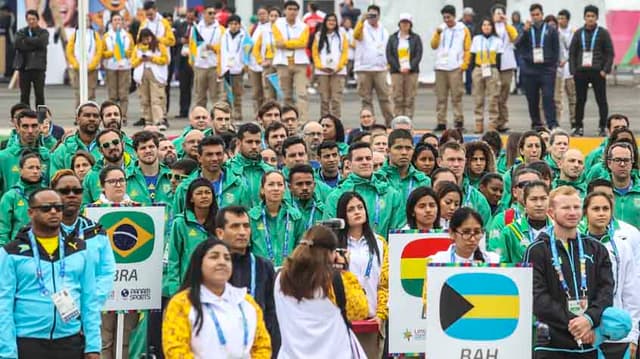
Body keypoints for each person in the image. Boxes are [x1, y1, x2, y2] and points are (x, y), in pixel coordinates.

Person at [0, 189, 101, 359]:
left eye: (58, 207)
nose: (54, 212)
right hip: (27, 342)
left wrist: (93, 346)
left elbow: (90, 299)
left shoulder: (80, 250)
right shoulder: (11, 253)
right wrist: (7, 352)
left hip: (70, 341)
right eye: (46, 208)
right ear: (31, 213)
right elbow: (3, 305)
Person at [523, 186, 614, 358]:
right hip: (551, 344)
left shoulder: (597, 249)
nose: (572, 212)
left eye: (576, 207)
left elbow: (606, 291)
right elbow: (537, 297)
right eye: (565, 208)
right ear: (551, 212)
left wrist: (589, 319)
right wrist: (575, 323)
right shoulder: (537, 250)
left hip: (588, 341)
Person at [163, 238, 272, 358]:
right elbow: (175, 350)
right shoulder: (181, 303)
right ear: (199, 263)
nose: (222, 262)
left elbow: (262, 346)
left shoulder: (246, 302)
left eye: (227, 258)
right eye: (214, 257)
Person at [275, 225, 368, 358]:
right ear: (331, 253)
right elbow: (360, 310)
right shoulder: (332, 281)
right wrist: (344, 271)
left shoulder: (280, 278)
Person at [581, 191, 640, 358]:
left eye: (605, 209)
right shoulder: (576, 246)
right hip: (585, 332)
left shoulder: (622, 246)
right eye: (596, 209)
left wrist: (633, 336)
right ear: (585, 212)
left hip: (617, 333)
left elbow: (632, 294)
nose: (601, 213)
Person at [215, 206, 281, 353]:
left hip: (256, 347)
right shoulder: (210, 267)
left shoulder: (263, 266)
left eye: (246, 226)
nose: (242, 232)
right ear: (220, 233)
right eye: (235, 226)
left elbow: (272, 314)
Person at [336, 191, 389, 358]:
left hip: (372, 320)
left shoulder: (380, 243)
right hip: (342, 322)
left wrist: (381, 315)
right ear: (342, 215)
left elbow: (385, 283)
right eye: (351, 209)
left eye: (360, 207)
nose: (357, 212)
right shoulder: (335, 245)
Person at [324, 142, 404, 237]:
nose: (365, 162)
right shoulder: (336, 196)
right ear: (349, 164)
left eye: (368, 158)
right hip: (348, 250)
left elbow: (398, 233)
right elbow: (329, 234)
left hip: (384, 250)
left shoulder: (391, 194)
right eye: (359, 159)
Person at [165, 178, 218, 297]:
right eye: (199, 193)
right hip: (188, 286)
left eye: (207, 192)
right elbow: (173, 259)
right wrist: (174, 290)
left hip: (214, 285)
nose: (204, 196)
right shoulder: (180, 223)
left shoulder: (220, 221)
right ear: (191, 198)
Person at [569, 5, 614, 137]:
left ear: (596, 18)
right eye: (588, 16)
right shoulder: (578, 33)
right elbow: (572, 53)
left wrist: (605, 70)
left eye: (592, 16)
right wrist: (573, 71)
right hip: (581, 72)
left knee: (601, 100)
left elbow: (610, 53)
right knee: (580, 100)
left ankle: (602, 127)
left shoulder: (603, 33)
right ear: (584, 17)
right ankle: (578, 127)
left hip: (597, 71)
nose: (590, 19)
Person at [516, 4, 560, 130]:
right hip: (530, 69)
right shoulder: (527, 30)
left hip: (547, 70)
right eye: (533, 15)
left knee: (548, 97)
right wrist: (524, 31)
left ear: (542, 14)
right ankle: (536, 123)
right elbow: (517, 45)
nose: (535, 17)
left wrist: (553, 66)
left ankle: (552, 123)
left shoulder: (550, 29)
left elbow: (556, 49)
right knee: (532, 98)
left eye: (538, 14)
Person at [249, 171, 304, 267]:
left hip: (288, 272)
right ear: (262, 189)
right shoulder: (252, 217)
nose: (276, 188)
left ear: (285, 189)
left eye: (280, 185)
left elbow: (301, 248)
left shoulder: (296, 217)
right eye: (271, 184)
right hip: (259, 271)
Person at [430, 5, 471, 132]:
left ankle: (459, 121)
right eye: (444, 18)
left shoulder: (462, 29)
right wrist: (437, 33)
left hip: (455, 67)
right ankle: (441, 122)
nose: (447, 20)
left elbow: (467, 48)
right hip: (441, 67)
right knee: (441, 97)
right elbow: (433, 45)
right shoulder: (441, 29)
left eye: (449, 17)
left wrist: (464, 64)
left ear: (454, 16)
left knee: (456, 96)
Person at [353, 5, 394, 125]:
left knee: (385, 98)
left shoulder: (383, 30)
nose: (372, 18)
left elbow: (388, 48)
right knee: (366, 99)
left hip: (380, 68)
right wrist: (362, 20)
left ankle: (390, 123)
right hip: (364, 69)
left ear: (379, 16)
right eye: (370, 15)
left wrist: (389, 65)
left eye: (374, 15)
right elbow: (356, 35)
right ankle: (368, 124)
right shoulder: (362, 27)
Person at [492, 181, 551, 263]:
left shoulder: (557, 230)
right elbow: (503, 265)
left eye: (543, 198)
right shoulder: (510, 232)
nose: (539, 204)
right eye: (533, 199)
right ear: (525, 202)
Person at [437, 141, 493, 226]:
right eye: (451, 160)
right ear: (439, 162)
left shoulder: (477, 198)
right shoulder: (429, 192)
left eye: (460, 160)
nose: (456, 164)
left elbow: (487, 232)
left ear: (465, 161)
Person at [272, 1, 310, 122]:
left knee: (301, 94)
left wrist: (286, 44)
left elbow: (303, 43)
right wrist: (295, 42)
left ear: (298, 11)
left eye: (295, 9)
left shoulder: (304, 26)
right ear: (285, 10)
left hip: (300, 63)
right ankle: (288, 120)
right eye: (290, 9)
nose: (292, 11)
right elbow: (278, 43)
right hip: (283, 62)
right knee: (286, 95)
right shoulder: (277, 24)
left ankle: (302, 121)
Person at [0, 109, 52, 197]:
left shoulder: (48, 156)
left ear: (40, 127)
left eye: (34, 126)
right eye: (25, 126)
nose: (30, 131)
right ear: (17, 128)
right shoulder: (3, 157)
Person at [0, 151, 46, 245]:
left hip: (44, 246)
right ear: (20, 171)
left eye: (38, 168)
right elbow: (3, 229)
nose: (35, 171)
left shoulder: (47, 194)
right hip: (18, 249)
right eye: (31, 168)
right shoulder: (10, 196)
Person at [377, 129, 432, 205]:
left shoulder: (423, 181)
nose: (404, 152)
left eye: (408, 148)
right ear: (388, 151)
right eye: (398, 148)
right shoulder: (377, 179)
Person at [226, 123, 274, 208]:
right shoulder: (227, 169)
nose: (254, 146)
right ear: (238, 143)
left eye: (257, 142)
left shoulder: (270, 171)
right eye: (249, 142)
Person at [430, 207, 500, 263]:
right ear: (452, 233)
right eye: (466, 232)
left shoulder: (494, 261)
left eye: (477, 232)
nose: (472, 239)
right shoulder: (437, 262)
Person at [469, 17, 503, 133]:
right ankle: (478, 123)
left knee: (493, 98)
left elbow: (499, 59)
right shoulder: (476, 39)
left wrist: (496, 71)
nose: (486, 27)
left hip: (492, 69)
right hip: (479, 69)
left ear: (492, 27)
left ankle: (492, 125)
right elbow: (472, 57)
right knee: (478, 98)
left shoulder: (497, 40)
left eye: (489, 25)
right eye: (484, 25)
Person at [312, 13, 349, 118]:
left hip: (338, 71)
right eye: (329, 20)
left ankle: (336, 123)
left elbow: (345, 52)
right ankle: (324, 123)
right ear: (325, 22)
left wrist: (338, 67)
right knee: (324, 99)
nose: (331, 22)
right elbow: (315, 53)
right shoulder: (318, 35)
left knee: (336, 99)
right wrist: (320, 66)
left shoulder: (341, 35)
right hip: (322, 71)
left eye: (333, 20)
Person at [132, 28, 169, 130]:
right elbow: (133, 62)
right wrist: (141, 59)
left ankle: (159, 120)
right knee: (145, 99)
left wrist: (152, 58)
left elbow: (165, 60)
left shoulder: (159, 46)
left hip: (155, 74)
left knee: (156, 98)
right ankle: (147, 120)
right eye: (143, 39)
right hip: (142, 74)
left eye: (148, 38)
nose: (146, 41)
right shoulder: (137, 48)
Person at [387, 13, 422, 119]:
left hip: (411, 72)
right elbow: (389, 54)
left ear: (410, 24)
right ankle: (397, 118)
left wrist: (410, 67)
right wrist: (398, 67)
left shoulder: (415, 38)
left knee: (409, 97)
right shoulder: (393, 38)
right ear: (399, 24)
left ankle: (408, 119)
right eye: (403, 22)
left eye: (407, 22)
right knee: (397, 97)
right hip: (397, 71)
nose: (405, 25)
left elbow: (418, 54)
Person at [500, 131, 547, 208]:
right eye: (530, 146)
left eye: (537, 146)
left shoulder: (549, 172)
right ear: (521, 150)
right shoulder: (510, 175)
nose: (534, 150)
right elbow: (503, 203)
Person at [189, 5, 224, 109]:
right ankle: (200, 117)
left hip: (214, 66)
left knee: (215, 96)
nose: (213, 15)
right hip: (200, 66)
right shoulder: (196, 29)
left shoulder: (220, 29)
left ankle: (217, 117)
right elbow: (192, 46)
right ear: (203, 14)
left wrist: (213, 48)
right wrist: (192, 62)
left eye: (214, 13)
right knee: (199, 96)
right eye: (210, 13)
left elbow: (224, 48)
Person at [102, 12, 134, 123]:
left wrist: (123, 52)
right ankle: (112, 115)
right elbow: (103, 52)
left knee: (123, 93)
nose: (117, 22)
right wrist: (113, 53)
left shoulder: (127, 36)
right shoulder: (107, 36)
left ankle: (123, 115)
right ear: (111, 22)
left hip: (124, 66)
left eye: (119, 20)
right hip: (111, 66)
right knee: (112, 93)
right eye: (115, 20)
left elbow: (132, 51)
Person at [66, 16, 103, 108]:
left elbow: (99, 50)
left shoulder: (95, 34)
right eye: (83, 20)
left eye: (87, 20)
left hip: (92, 69)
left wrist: (92, 65)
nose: (85, 22)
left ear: (90, 22)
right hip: (77, 69)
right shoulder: (75, 35)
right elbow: (69, 51)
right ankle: (78, 114)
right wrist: (75, 64)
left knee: (91, 92)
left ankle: (91, 113)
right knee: (79, 93)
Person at [14, 9, 48, 107]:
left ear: (37, 19)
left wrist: (26, 41)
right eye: (29, 19)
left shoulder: (43, 32)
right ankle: (25, 116)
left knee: (39, 95)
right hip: (24, 67)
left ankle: (41, 118)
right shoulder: (21, 32)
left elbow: (42, 43)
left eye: (33, 19)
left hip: (38, 68)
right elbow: (17, 44)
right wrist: (34, 43)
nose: (31, 21)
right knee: (24, 95)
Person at [493, 4, 518, 132]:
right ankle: (495, 121)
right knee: (495, 94)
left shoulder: (508, 27)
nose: (499, 15)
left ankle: (503, 121)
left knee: (504, 94)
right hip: (494, 63)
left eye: (501, 13)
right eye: (497, 13)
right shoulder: (490, 27)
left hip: (507, 63)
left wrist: (506, 22)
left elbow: (514, 37)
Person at [218, 15, 246, 122]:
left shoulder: (244, 35)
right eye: (231, 24)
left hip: (238, 68)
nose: (233, 26)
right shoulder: (224, 35)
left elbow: (247, 52)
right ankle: (227, 115)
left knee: (237, 94)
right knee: (225, 95)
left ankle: (238, 115)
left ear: (239, 25)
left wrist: (244, 65)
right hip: (226, 68)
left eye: (236, 24)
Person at [605, 142, 640, 229]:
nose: (622, 164)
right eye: (617, 160)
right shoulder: (601, 190)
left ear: (632, 163)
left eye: (626, 160)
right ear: (609, 163)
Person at [252, 7, 281, 107]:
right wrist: (261, 61)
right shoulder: (264, 30)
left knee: (283, 91)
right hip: (269, 62)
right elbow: (256, 49)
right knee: (268, 91)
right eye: (271, 16)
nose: (273, 18)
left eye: (276, 16)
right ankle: (271, 113)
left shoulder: (284, 29)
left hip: (281, 62)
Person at [174, 8, 196, 119]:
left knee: (196, 88)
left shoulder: (198, 27)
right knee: (184, 87)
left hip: (195, 60)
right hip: (183, 60)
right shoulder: (181, 26)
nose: (189, 18)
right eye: (188, 16)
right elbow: (174, 39)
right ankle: (183, 111)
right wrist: (180, 40)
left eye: (192, 16)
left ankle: (196, 112)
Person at [556, 9, 577, 131]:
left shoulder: (574, 32)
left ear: (567, 20)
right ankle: (557, 123)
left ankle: (574, 122)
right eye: (559, 18)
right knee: (557, 99)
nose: (560, 21)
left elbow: (573, 50)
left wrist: (567, 60)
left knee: (572, 98)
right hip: (558, 70)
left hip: (569, 69)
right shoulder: (555, 31)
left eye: (562, 18)